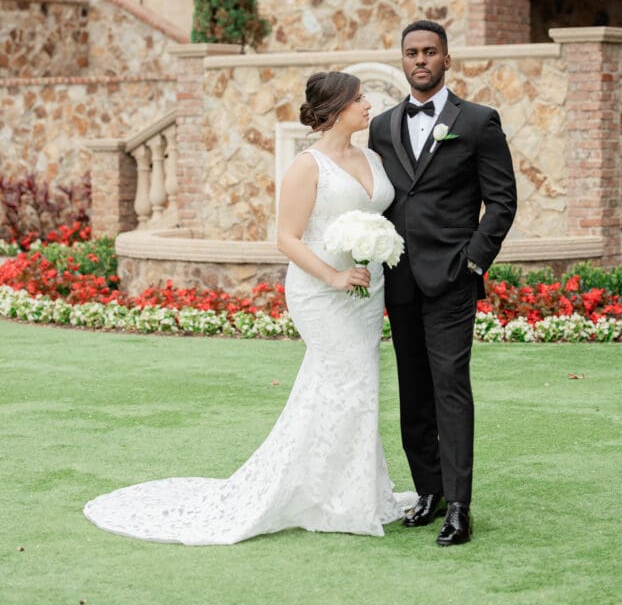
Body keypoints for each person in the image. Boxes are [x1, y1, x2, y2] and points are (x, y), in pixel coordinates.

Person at [83, 70, 411, 544]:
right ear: (337, 108)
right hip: (322, 292)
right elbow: (286, 239)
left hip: (366, 288)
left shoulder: (372, 156)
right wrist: (335, 275)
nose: (367, 105)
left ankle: (348, 490)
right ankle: (335, 499)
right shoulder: (307, 166)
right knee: (348, 382)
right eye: (359, 99)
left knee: (351, 386)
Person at [368, 20, 517, 546]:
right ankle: (427, 492)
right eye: (412, 52)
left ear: (447, 60)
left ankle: (459, 505)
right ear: (402, 60)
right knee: (413, 391)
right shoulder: (382, 126)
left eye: (430, 51)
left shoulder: (477, 122)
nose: (421, 60)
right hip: (399, 279)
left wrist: (474, 262)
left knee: (451, 388)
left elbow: (502, 201)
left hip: (452, 279)